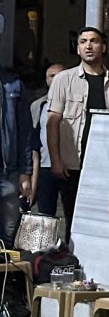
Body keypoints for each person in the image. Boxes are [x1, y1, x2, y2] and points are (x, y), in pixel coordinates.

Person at [46, 27, 109, 239]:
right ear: (78, 48)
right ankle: (72, 256)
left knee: (106, 219)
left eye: (94, 41)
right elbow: (52, 122)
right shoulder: (63, 79)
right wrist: (56, 160)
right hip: (73, 163)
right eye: (83, 42)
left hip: (106, 164)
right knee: (73, 218)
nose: (88, 46)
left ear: (104, 47)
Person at [0, 51, 34, 247]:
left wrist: (25, 172)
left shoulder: (13, 85)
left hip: (9, 172)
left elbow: (25, 132)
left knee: (8, 234)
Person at [30, 64, 64, 212]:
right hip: (45, 166)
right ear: (46, 79)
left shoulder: (76, 103)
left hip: (69, 165)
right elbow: (33, 142)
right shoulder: (38, 105)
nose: (55, 79)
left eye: (59, 75)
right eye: (52, 76)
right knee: (44, 213)